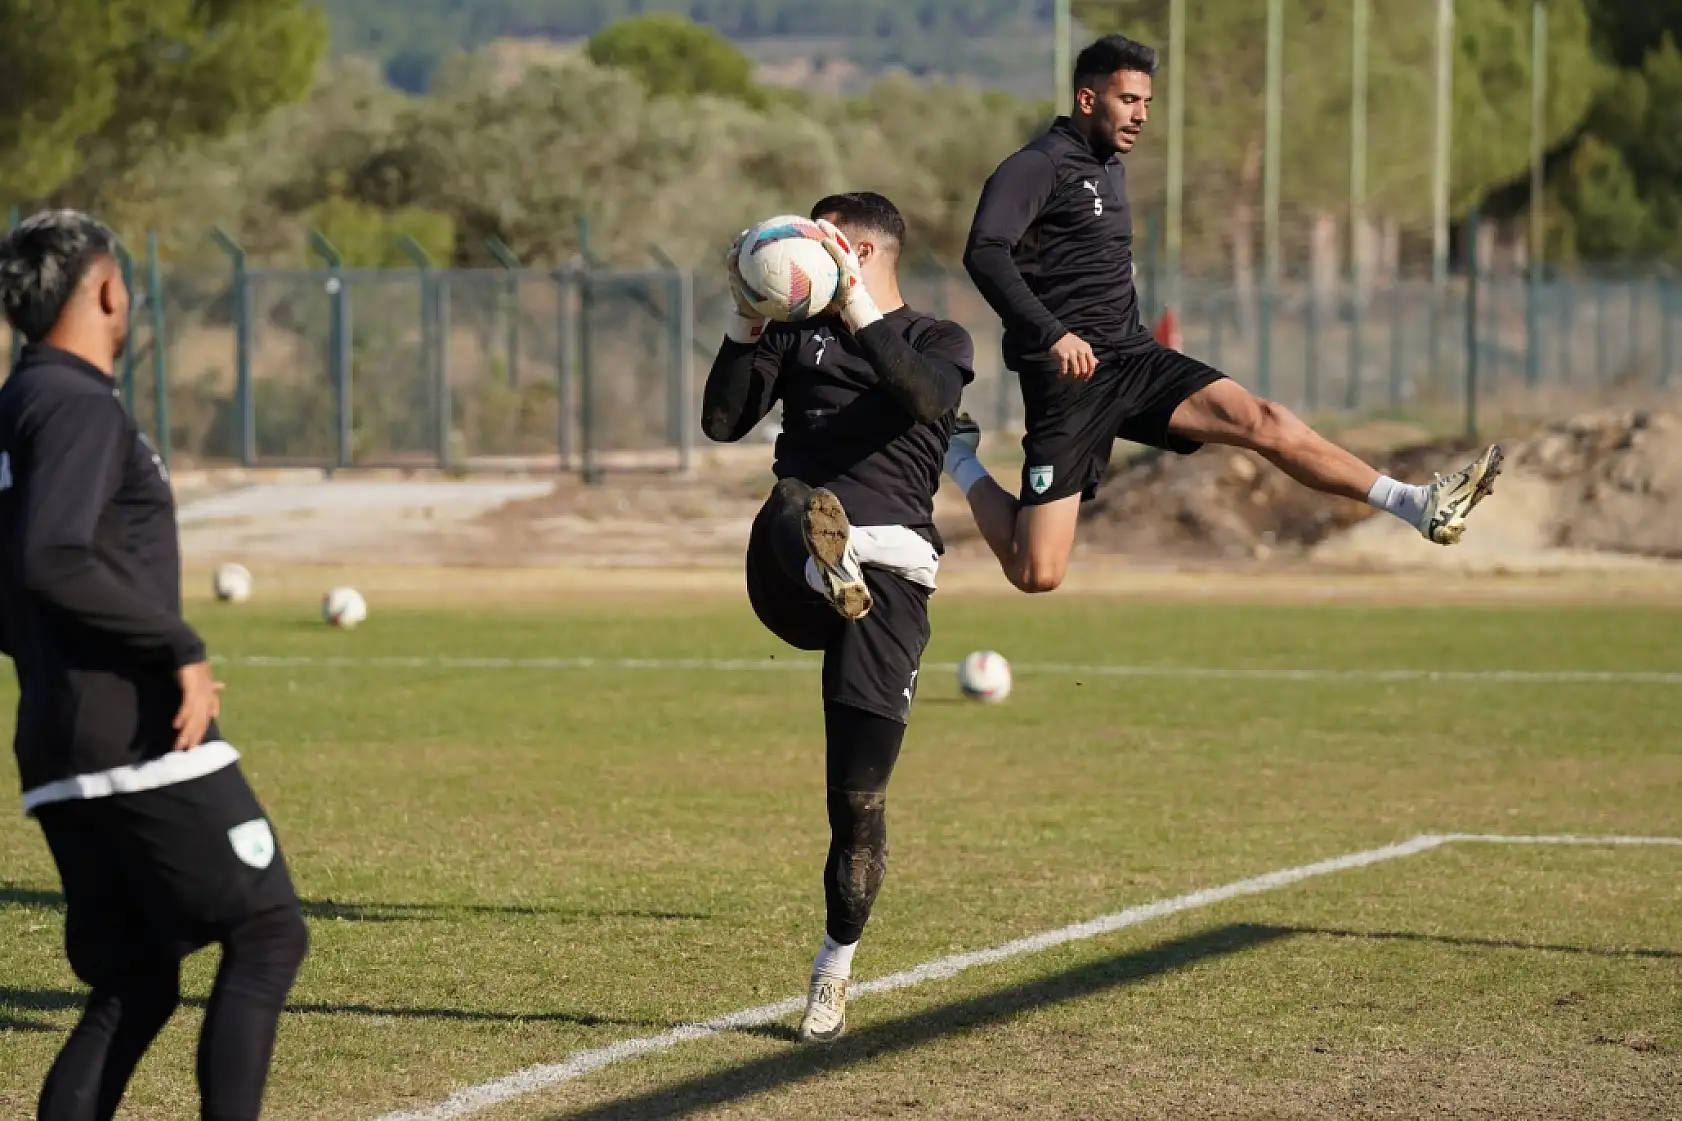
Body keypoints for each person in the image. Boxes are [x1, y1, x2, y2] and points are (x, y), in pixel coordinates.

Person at [948, 34, 1503, 593]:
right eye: (1129, 101)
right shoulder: (1036, 165)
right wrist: (1052, 335)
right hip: (1068, 379)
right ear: (1088, 100)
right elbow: (985, 252)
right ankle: (957, 455)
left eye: (1147, 103)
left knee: (1265, 420)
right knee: (1036, 572)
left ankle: (1414, 504)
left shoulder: (1110, 167)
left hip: (1134, 359)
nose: (1141, 115)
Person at [0, 210, 308, 1121]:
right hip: (133, 728)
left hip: (56, 739)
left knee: (136, 981)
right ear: (103, 288)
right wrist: (177, 647)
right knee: (266, 930)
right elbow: (51, 558)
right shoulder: (77, 404)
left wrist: (54, 664)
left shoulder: (15, 406)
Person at [702, 193, 974, 1043]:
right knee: (792, 501)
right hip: (792, 560)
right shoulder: (793, 332)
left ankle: (834, 966)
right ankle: (830, 554)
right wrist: (748, 322)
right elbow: (720, 421)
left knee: (857, 805)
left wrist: (856, 304)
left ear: (856, 250)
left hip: (891, 582)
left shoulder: (939, 340)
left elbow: (926, 399)